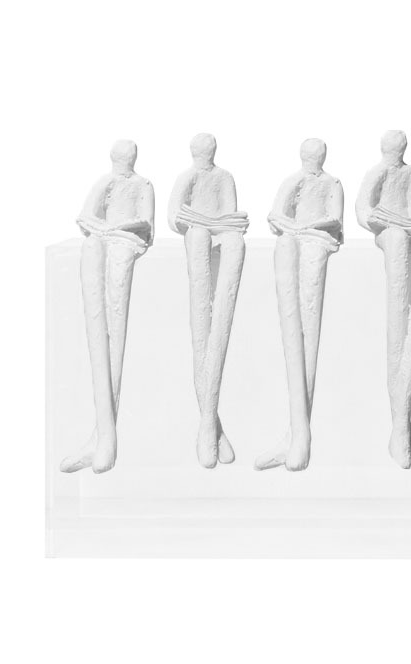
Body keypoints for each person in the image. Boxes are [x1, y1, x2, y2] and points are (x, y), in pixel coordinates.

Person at [60, 140, 155, 473]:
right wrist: (103, 228)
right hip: (104, 241)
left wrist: (120, 229)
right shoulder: (106, 182)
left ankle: (103, 440)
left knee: (116, 333)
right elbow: (86, 216)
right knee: (92, 251)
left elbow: (146, 223)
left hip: (126, 245)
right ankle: (103, 439)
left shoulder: (143, 185)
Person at [356, 130, 411, 468]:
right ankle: (403, 430)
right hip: (389, 233)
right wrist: (383, 221)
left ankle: (401, 430)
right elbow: (364, 211)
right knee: (393, 239)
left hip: (406, 227)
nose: (395, 152)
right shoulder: (376, 173)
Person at [255, 138, 343, 471]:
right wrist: (292, 227)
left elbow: (334, 219)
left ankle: (298, 438)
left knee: (309, 330)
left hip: (317, 243)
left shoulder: (332, 184)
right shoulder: (293, 182)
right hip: (293, 241)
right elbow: (275, 215)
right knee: (294, 331)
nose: (312, 160)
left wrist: (309, 227)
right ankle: (298, 437)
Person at [168, 133, 248, 468]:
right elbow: (175, 218)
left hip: (219, 236)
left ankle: (208, 426)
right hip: (199, 237)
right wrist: (201, 223)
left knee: (235, 243)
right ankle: (211, 427)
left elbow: (230, 216)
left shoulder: (224, 178)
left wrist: (216, 223)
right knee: (198, 235)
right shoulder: (187, 178)